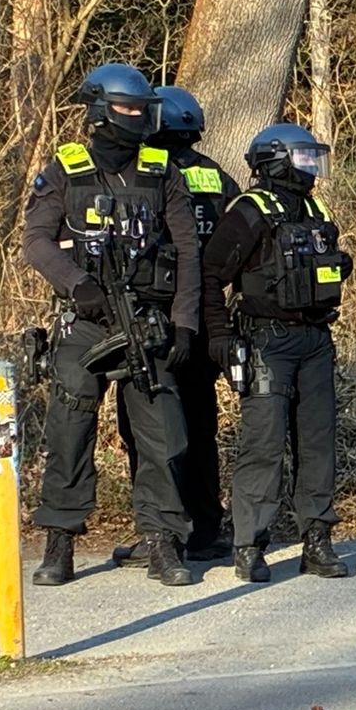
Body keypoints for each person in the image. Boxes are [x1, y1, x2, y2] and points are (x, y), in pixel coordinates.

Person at [22, 62, 201, 586]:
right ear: (100, 110)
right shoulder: (66, 169)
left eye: (143, 110)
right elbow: (35, 241)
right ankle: (60, 540)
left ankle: (163, 541)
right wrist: (79, 284)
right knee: (70, 428)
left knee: (163, 433)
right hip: (85, 321)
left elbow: (188, 250)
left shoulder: (160, 170)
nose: (138, 118)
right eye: (128, 108)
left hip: (148, 322)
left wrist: (184, 323)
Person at [200, 123, 353, 582]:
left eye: (313, 158)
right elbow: (211, 276)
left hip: (315, 340)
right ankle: (249, 544)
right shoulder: (249, 211)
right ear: (275, 160)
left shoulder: (312, 207)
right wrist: (220, 336)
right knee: (263, 445)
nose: (312, 167)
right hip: (267, 341)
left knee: (317, 443)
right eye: (304, 158)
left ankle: (318, 539)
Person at [112, 85, 240, 568]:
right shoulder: (217, 176)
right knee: (201, 426)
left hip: (161, 317)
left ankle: (164, 530)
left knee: (147, 428)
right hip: (209, 318)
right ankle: (207, 528)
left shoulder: (147, 173)